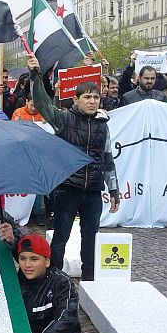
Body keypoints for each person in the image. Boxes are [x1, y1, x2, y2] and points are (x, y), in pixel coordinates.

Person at [28, 53, 120, 281]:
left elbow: (107, 159)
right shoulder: (63, 119)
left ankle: (90, 282)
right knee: (60, 238)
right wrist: (34, 75)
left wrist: (114, 189)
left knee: (91, 238)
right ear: (76, 99)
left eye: (96, 97)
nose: (92, 101)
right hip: (67, 190)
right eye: (87, 97)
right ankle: (55, 282)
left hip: (93, 193)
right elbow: (41, 103)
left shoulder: (103, 125)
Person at [17, 235, 81, 333]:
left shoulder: (62, 282)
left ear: (47, 262)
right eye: (22, 258)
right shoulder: (14, 282)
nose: (27, 265)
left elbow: (66, 320)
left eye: (34, 259)